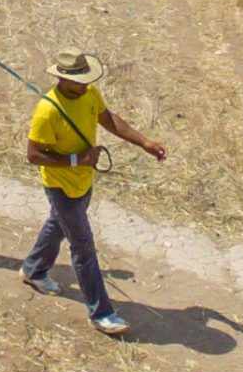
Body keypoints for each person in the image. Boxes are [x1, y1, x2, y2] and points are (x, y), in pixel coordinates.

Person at [20, 50, 167, 337]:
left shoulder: (89, 94)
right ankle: (102, 313)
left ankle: (34, 269)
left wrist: (144, 142)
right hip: (60, 185)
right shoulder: (47, 111)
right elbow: (33, 155)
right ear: (62, 79)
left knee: (57, 225)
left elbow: (109, 119)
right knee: (83, 247)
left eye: (87, 79)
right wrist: (78, 160)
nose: (86, 85)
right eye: (79, 81)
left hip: (83, 182)